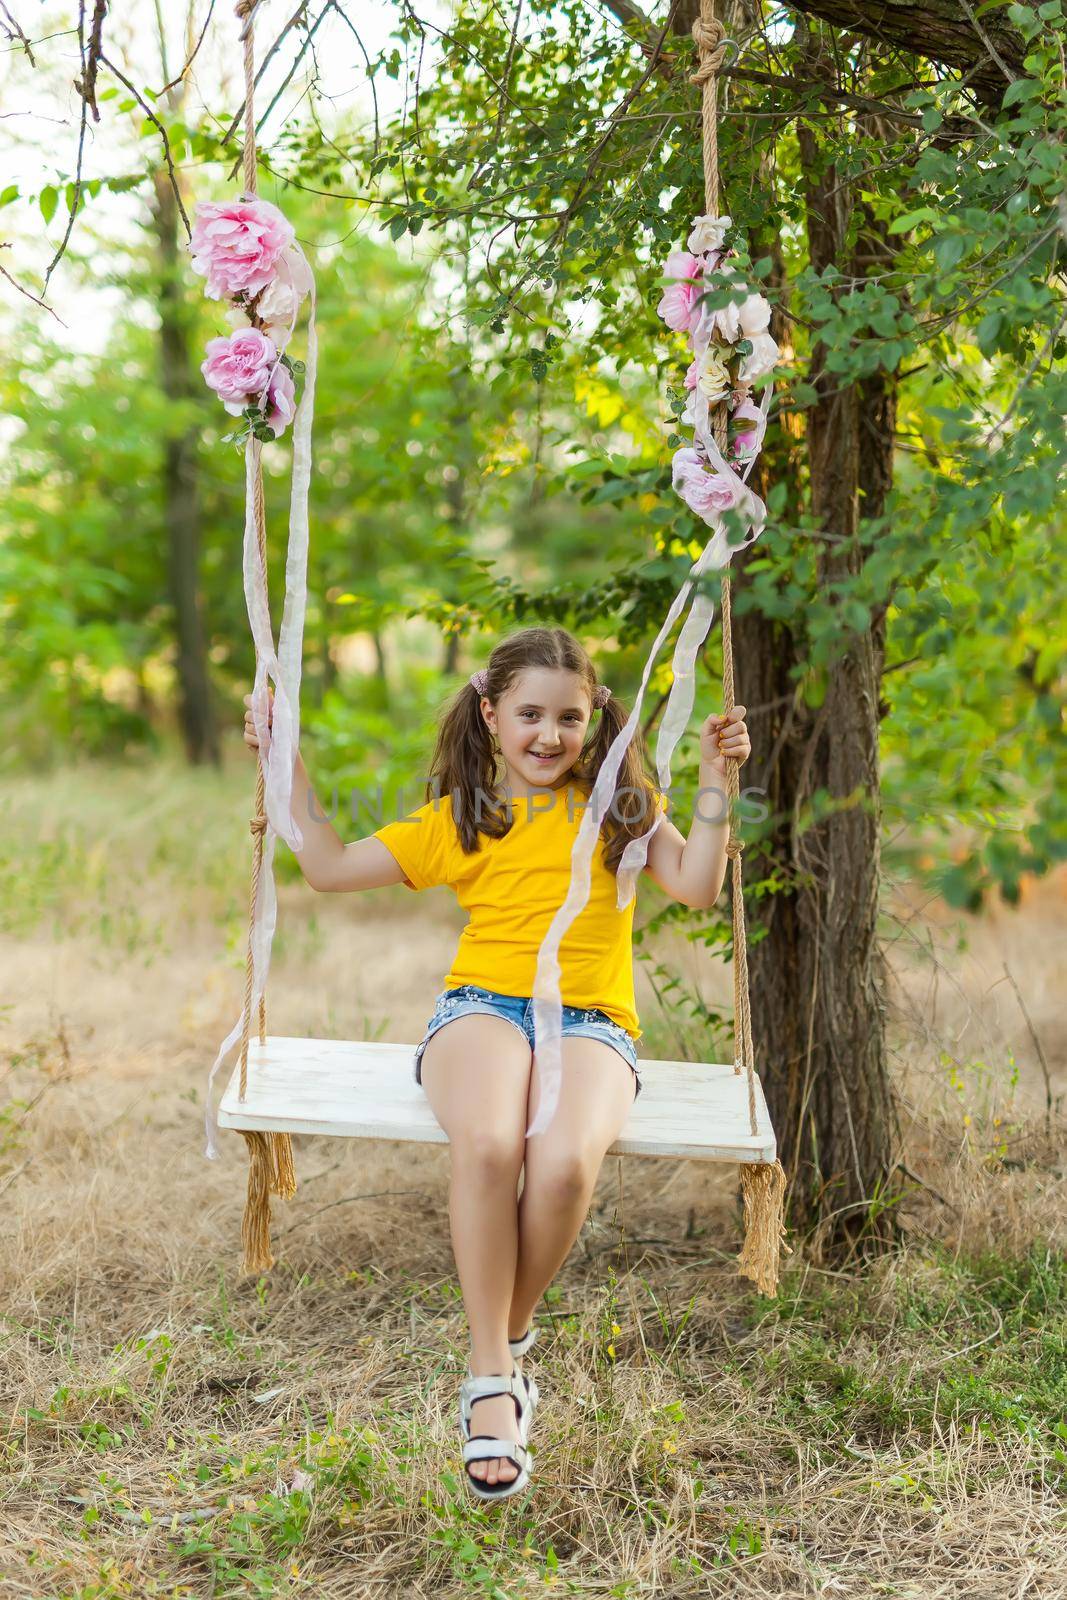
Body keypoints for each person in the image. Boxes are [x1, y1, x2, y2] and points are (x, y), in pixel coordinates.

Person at [243, 625, 750, 1499]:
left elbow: (698, 886)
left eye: (568, 717)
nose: (548, 735)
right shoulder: (461, 818)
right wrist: (280, 756)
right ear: (488, 715)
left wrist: (714, 783)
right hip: (480, 1009)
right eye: (528, 715)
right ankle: (489, 1382)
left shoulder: (620, 810)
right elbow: (325, 865)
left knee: (558, 1165)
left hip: (590, 1019)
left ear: (594, 721)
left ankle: (510, 1339)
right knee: (487, 1146)